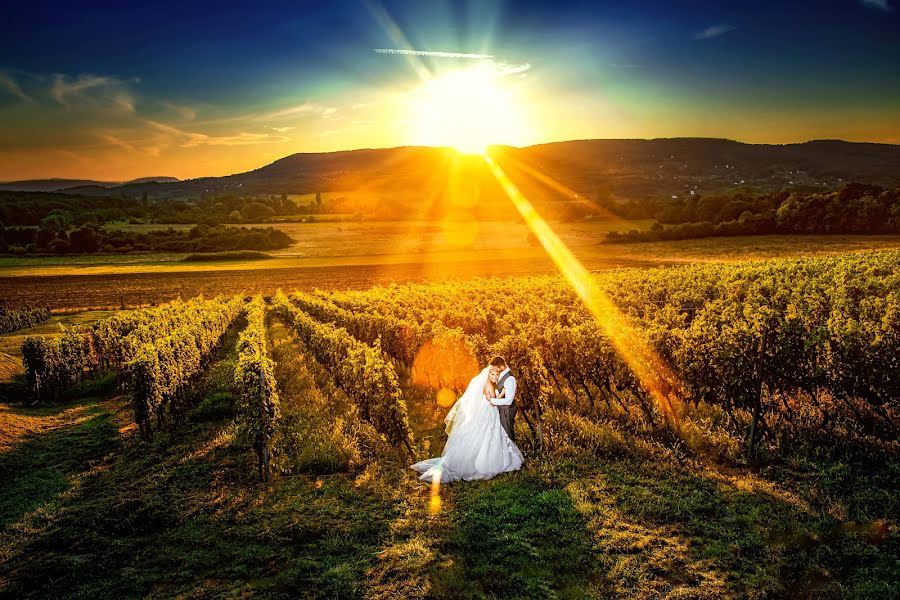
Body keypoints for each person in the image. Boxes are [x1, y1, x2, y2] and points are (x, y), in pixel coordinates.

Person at [410, 359, 523, 482]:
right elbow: (491, 401)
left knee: (489, 433)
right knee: (488, 434)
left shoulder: (493, 383)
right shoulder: (489, 385)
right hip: (490, 411)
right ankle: (485, 461)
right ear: (488, 374)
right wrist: (501, 394)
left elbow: (494, 398)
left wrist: (501, 393)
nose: (495, 376)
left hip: (490, 411)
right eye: (493, 374)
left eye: (496, 374)